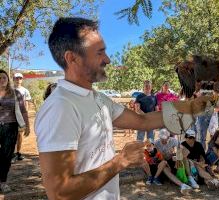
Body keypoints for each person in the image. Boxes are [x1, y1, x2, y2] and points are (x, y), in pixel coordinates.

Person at [35, 18, 209, 200]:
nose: (108, 60)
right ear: (72, 58)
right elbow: (59, 192)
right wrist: (121, 161)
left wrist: (190, 107)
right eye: (99, 53)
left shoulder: (98, 98)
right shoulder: (60, 107)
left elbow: (143, 121)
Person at [0, 69, 30, 193]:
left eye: (4, 78)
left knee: (6, 156)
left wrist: (27, 125)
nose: (1, 80)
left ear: (8, 80)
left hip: (10, 128)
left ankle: (3, 182)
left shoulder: (15, 93)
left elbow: (23, 110)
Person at [11, 72, 31, 162]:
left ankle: (18, 153)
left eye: (20, 78)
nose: (18, 80)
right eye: (16, 78)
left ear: (22, 80)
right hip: (10, 116)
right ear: (13, 79)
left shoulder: (25, 91)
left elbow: (26, 104)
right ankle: (11, 153)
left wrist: (25, 117)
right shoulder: (9, 90)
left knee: (19, 135)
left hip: (20, 116)